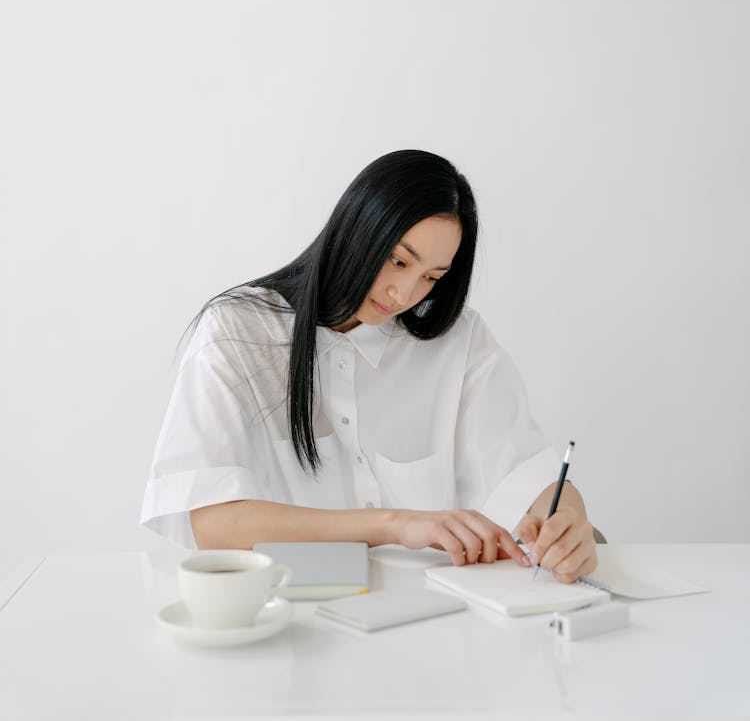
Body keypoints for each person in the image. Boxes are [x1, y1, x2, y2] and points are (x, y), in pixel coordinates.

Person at [141, 150, 598, 582]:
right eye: (398, 260)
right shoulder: (240, 332)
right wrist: (396, 525)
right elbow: (217, 524)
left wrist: (568, 522)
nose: (404, 293)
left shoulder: (458, 341)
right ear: (358, 230)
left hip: (433, 624)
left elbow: (526, 470)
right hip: (295, 625)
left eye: (431, 278)